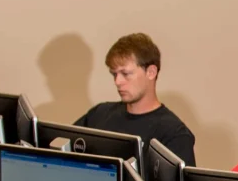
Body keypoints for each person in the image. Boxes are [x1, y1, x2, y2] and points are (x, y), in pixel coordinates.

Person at [76, 33, 197, 164]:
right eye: (114, 74)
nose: (118, 81)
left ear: (151, 72)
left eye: (125, 74)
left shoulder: (174, 135)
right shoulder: (99, 114)